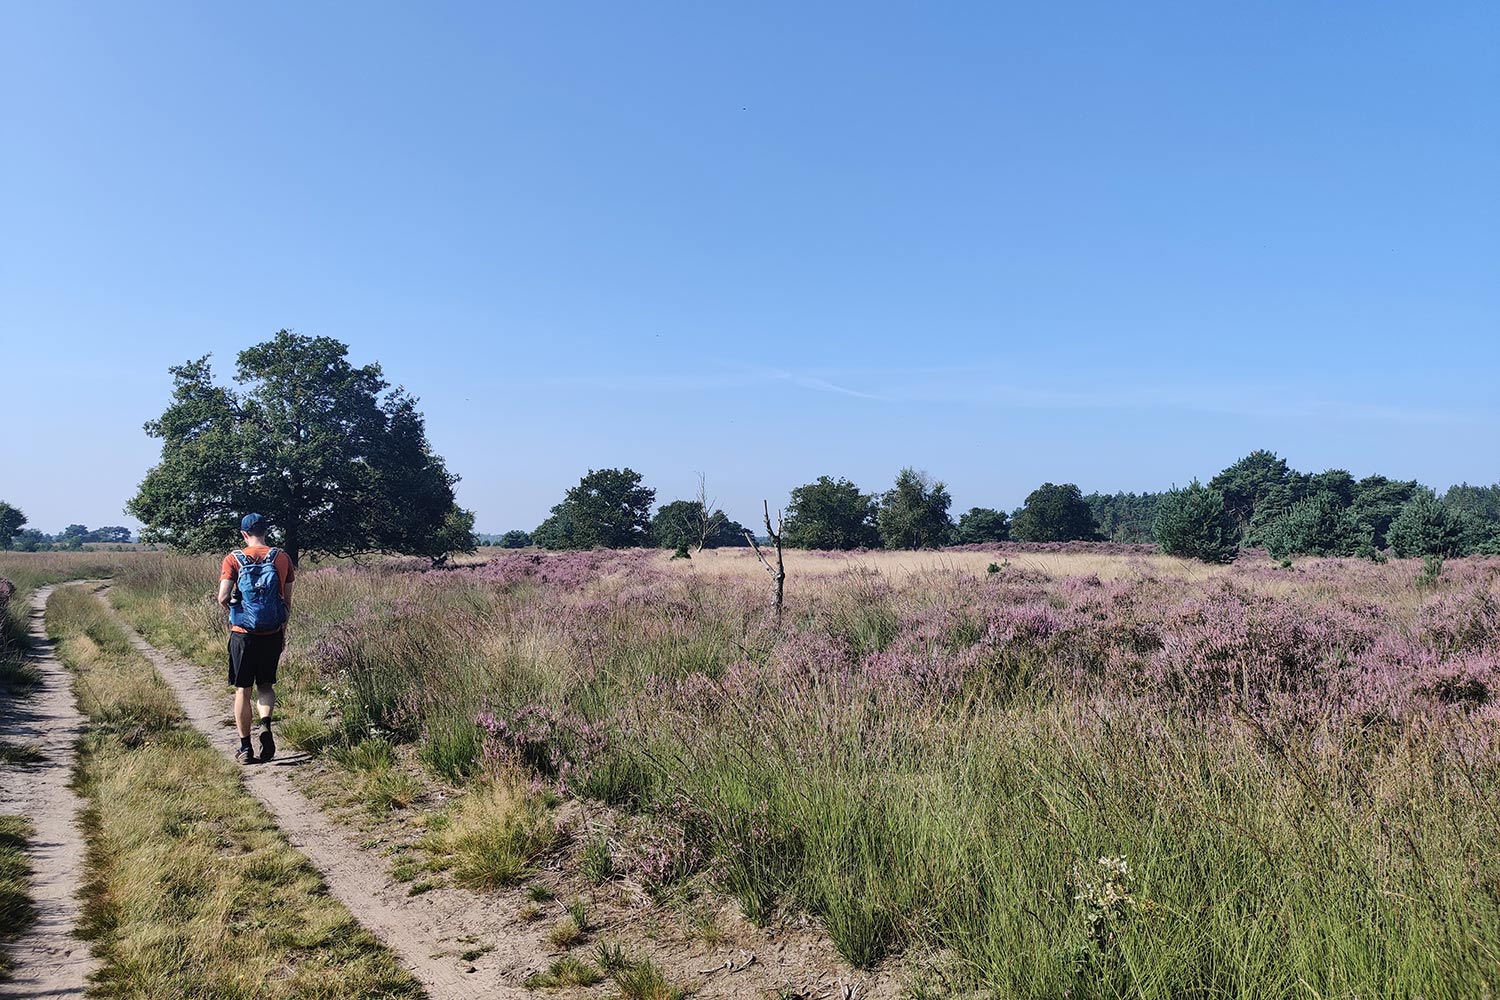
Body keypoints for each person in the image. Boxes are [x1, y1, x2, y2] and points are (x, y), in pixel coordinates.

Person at [216, 513, 294, 764]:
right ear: (265, 531)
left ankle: (245, 748)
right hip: (271, 632)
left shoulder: (233, 559)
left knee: (242, 690)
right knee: (266, 686)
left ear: (243, 534)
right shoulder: (282, 558)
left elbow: (222, 597)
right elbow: (287, 603)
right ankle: (266, 725)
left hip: (243, 635)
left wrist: (237, 609)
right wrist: (282, 633)